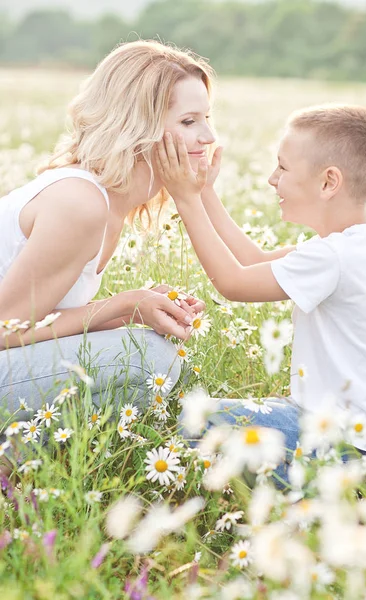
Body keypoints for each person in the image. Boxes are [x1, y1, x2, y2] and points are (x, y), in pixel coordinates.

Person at [0, 40, 217, 476]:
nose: (208, 137)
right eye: (189, 121)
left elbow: (49, 318)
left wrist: (137, 311)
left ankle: (21, 463)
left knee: (151, 354)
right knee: (145, 360)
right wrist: (120, 305)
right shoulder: (81, 202)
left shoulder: (107, 202)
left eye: (207, 119)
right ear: (138, 126)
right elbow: (7, 329)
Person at [155, 104, 366, 491]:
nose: (272, 179)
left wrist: (185, 199)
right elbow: (251, 260)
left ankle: (327, 495)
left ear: (328, 183)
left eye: (283, 168)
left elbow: (233, 282)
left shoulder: (334, 257)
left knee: (195, 419)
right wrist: (204, 193)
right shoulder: (365, 243)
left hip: (350, 452)